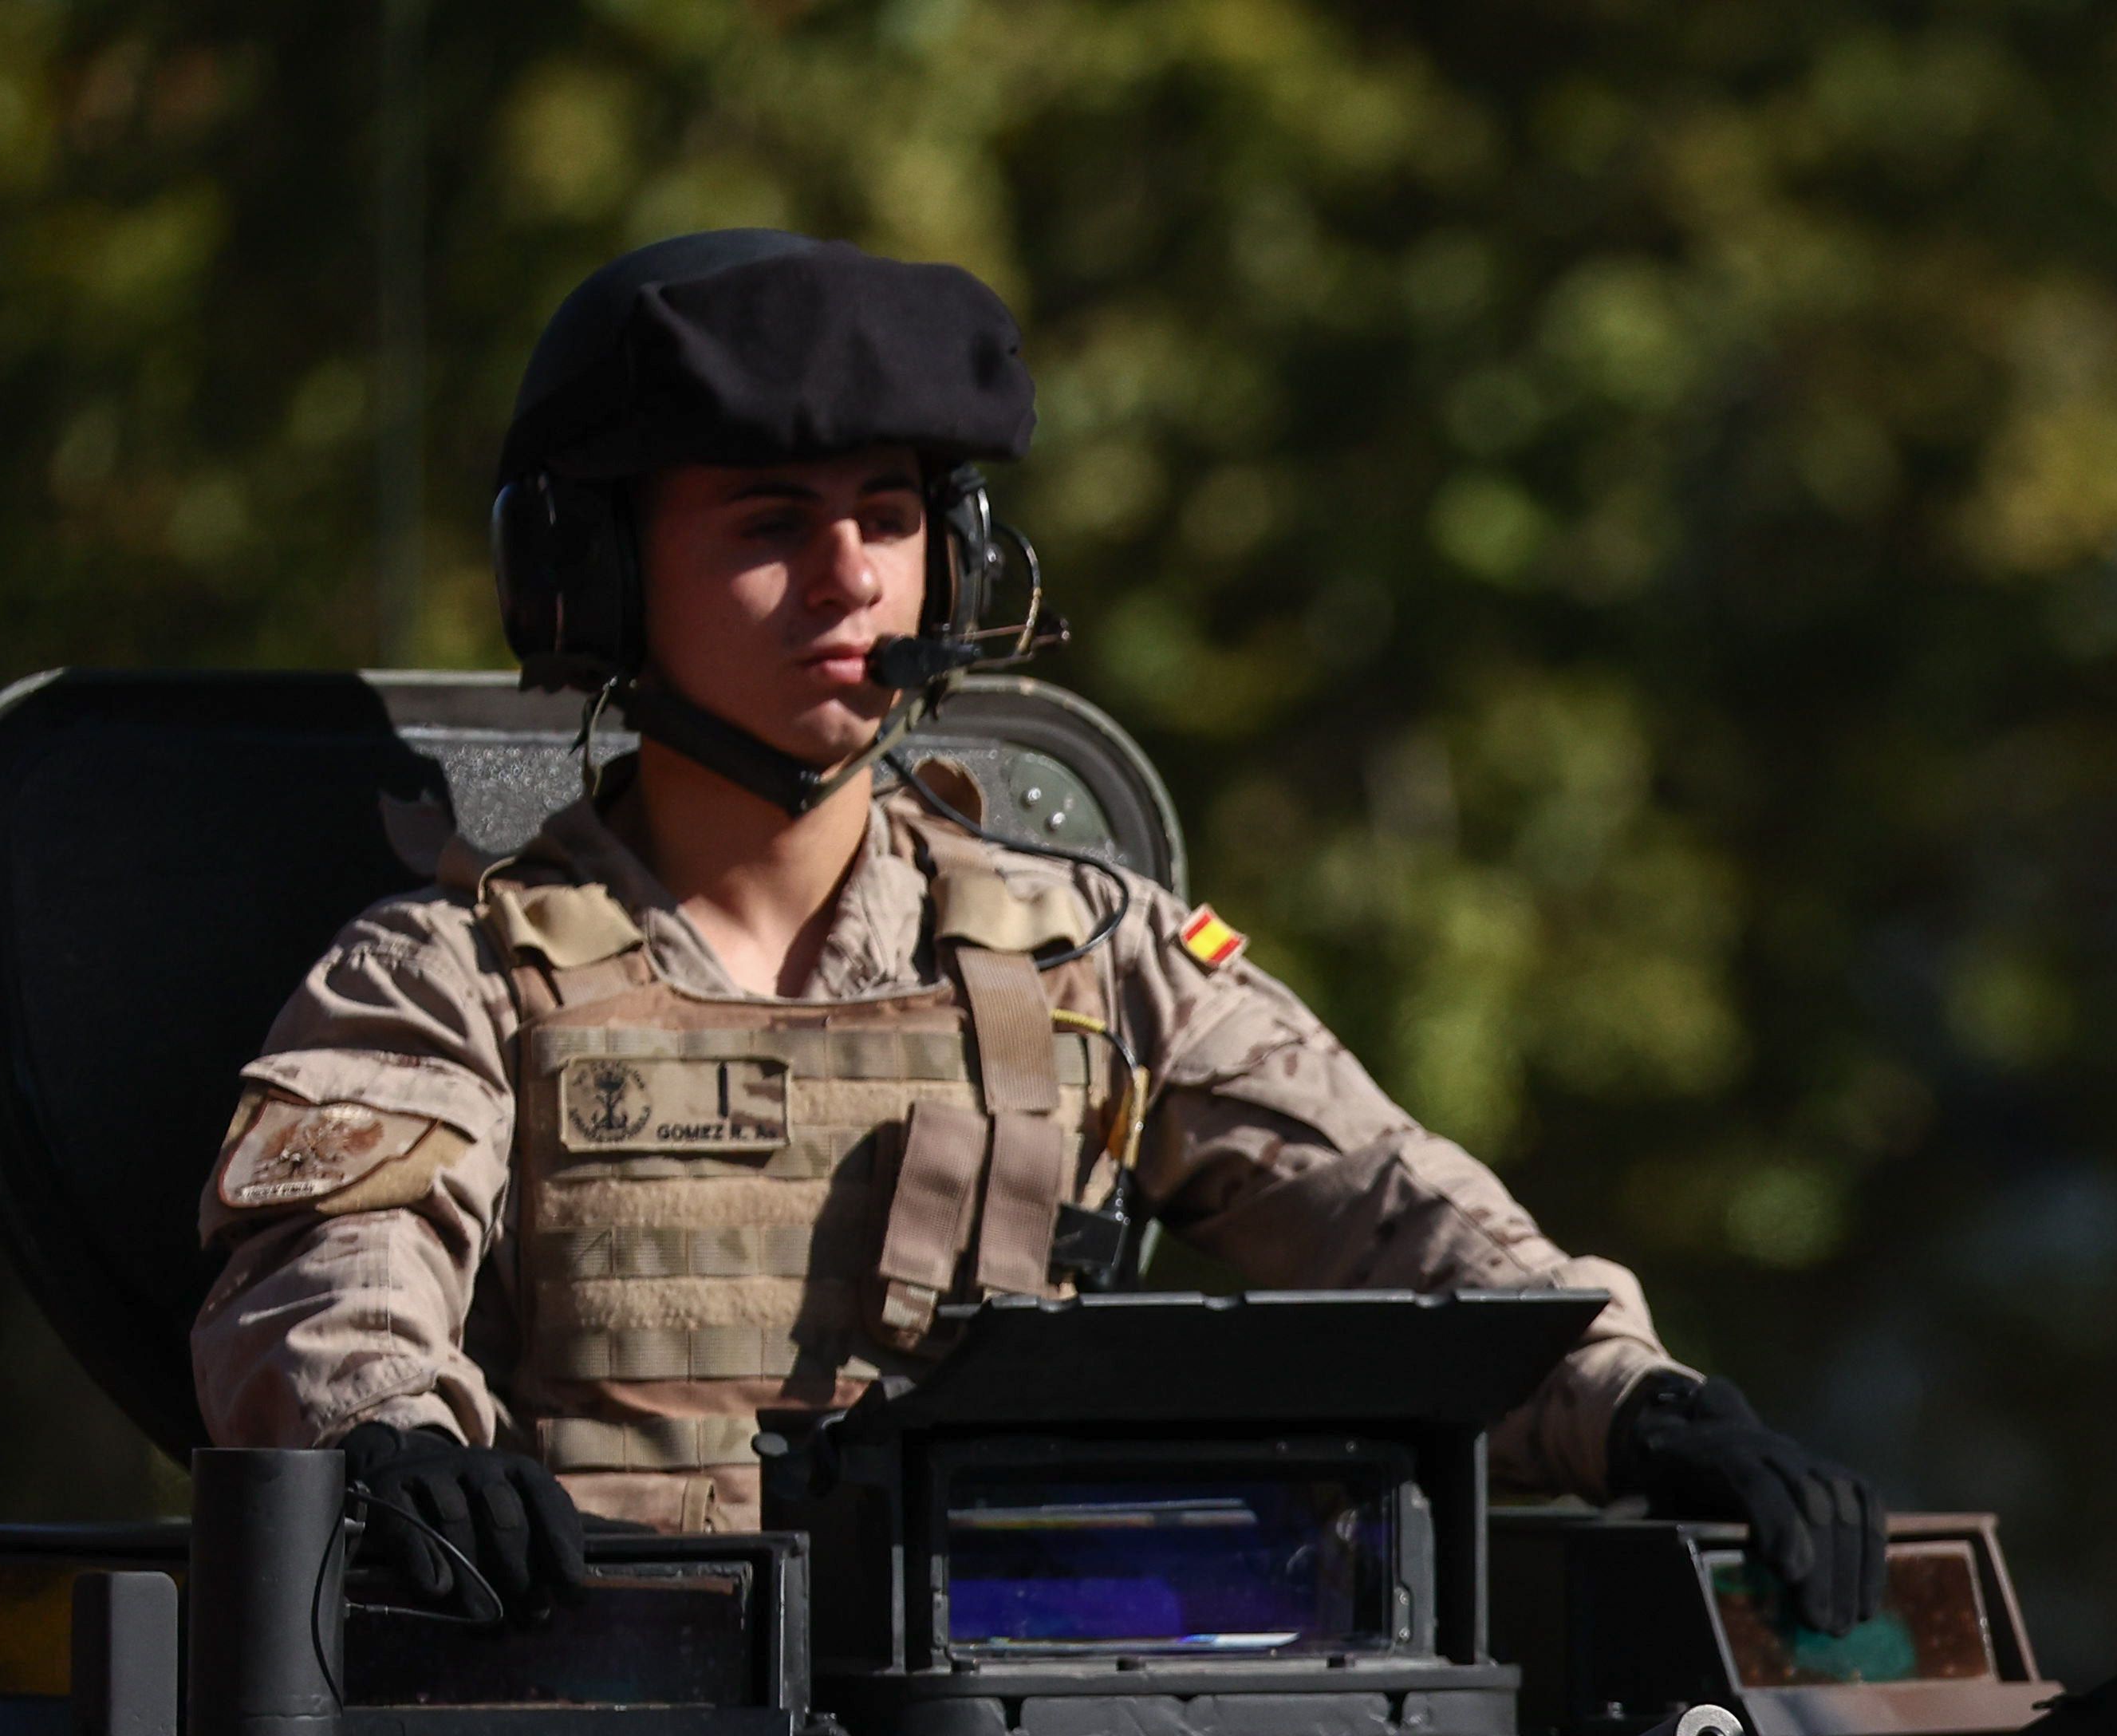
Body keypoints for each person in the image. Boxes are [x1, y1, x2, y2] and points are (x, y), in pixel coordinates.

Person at [188, 231, 1880, 1631]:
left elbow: (1388, 1213)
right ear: (605, 576)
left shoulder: (1093, 957)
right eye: (771, 526)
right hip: (619, 1729)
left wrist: (1641, 1399)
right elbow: (330, 1289)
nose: (852, 580)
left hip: (1019, 1730)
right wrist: (394, 1440)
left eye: (893, 515)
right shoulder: (449, 977)